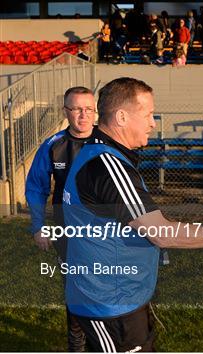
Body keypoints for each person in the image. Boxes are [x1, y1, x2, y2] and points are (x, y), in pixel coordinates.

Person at [60, 78, 203, 352]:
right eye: (147, 114)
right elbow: (161, 233)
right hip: (110, 304)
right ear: (121, 117)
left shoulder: (102, 153)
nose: (153, 122)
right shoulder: (106, 165)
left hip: (118, 295)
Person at [25, 86, 96, 352]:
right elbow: (35, 187)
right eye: (76, 109)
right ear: (65, 111)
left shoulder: (109, 142)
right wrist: (38, 227)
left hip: (107, 232)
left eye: (88, 109)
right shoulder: (54, 146)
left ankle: (101, 342)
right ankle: (76, 344)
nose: (83, 115)